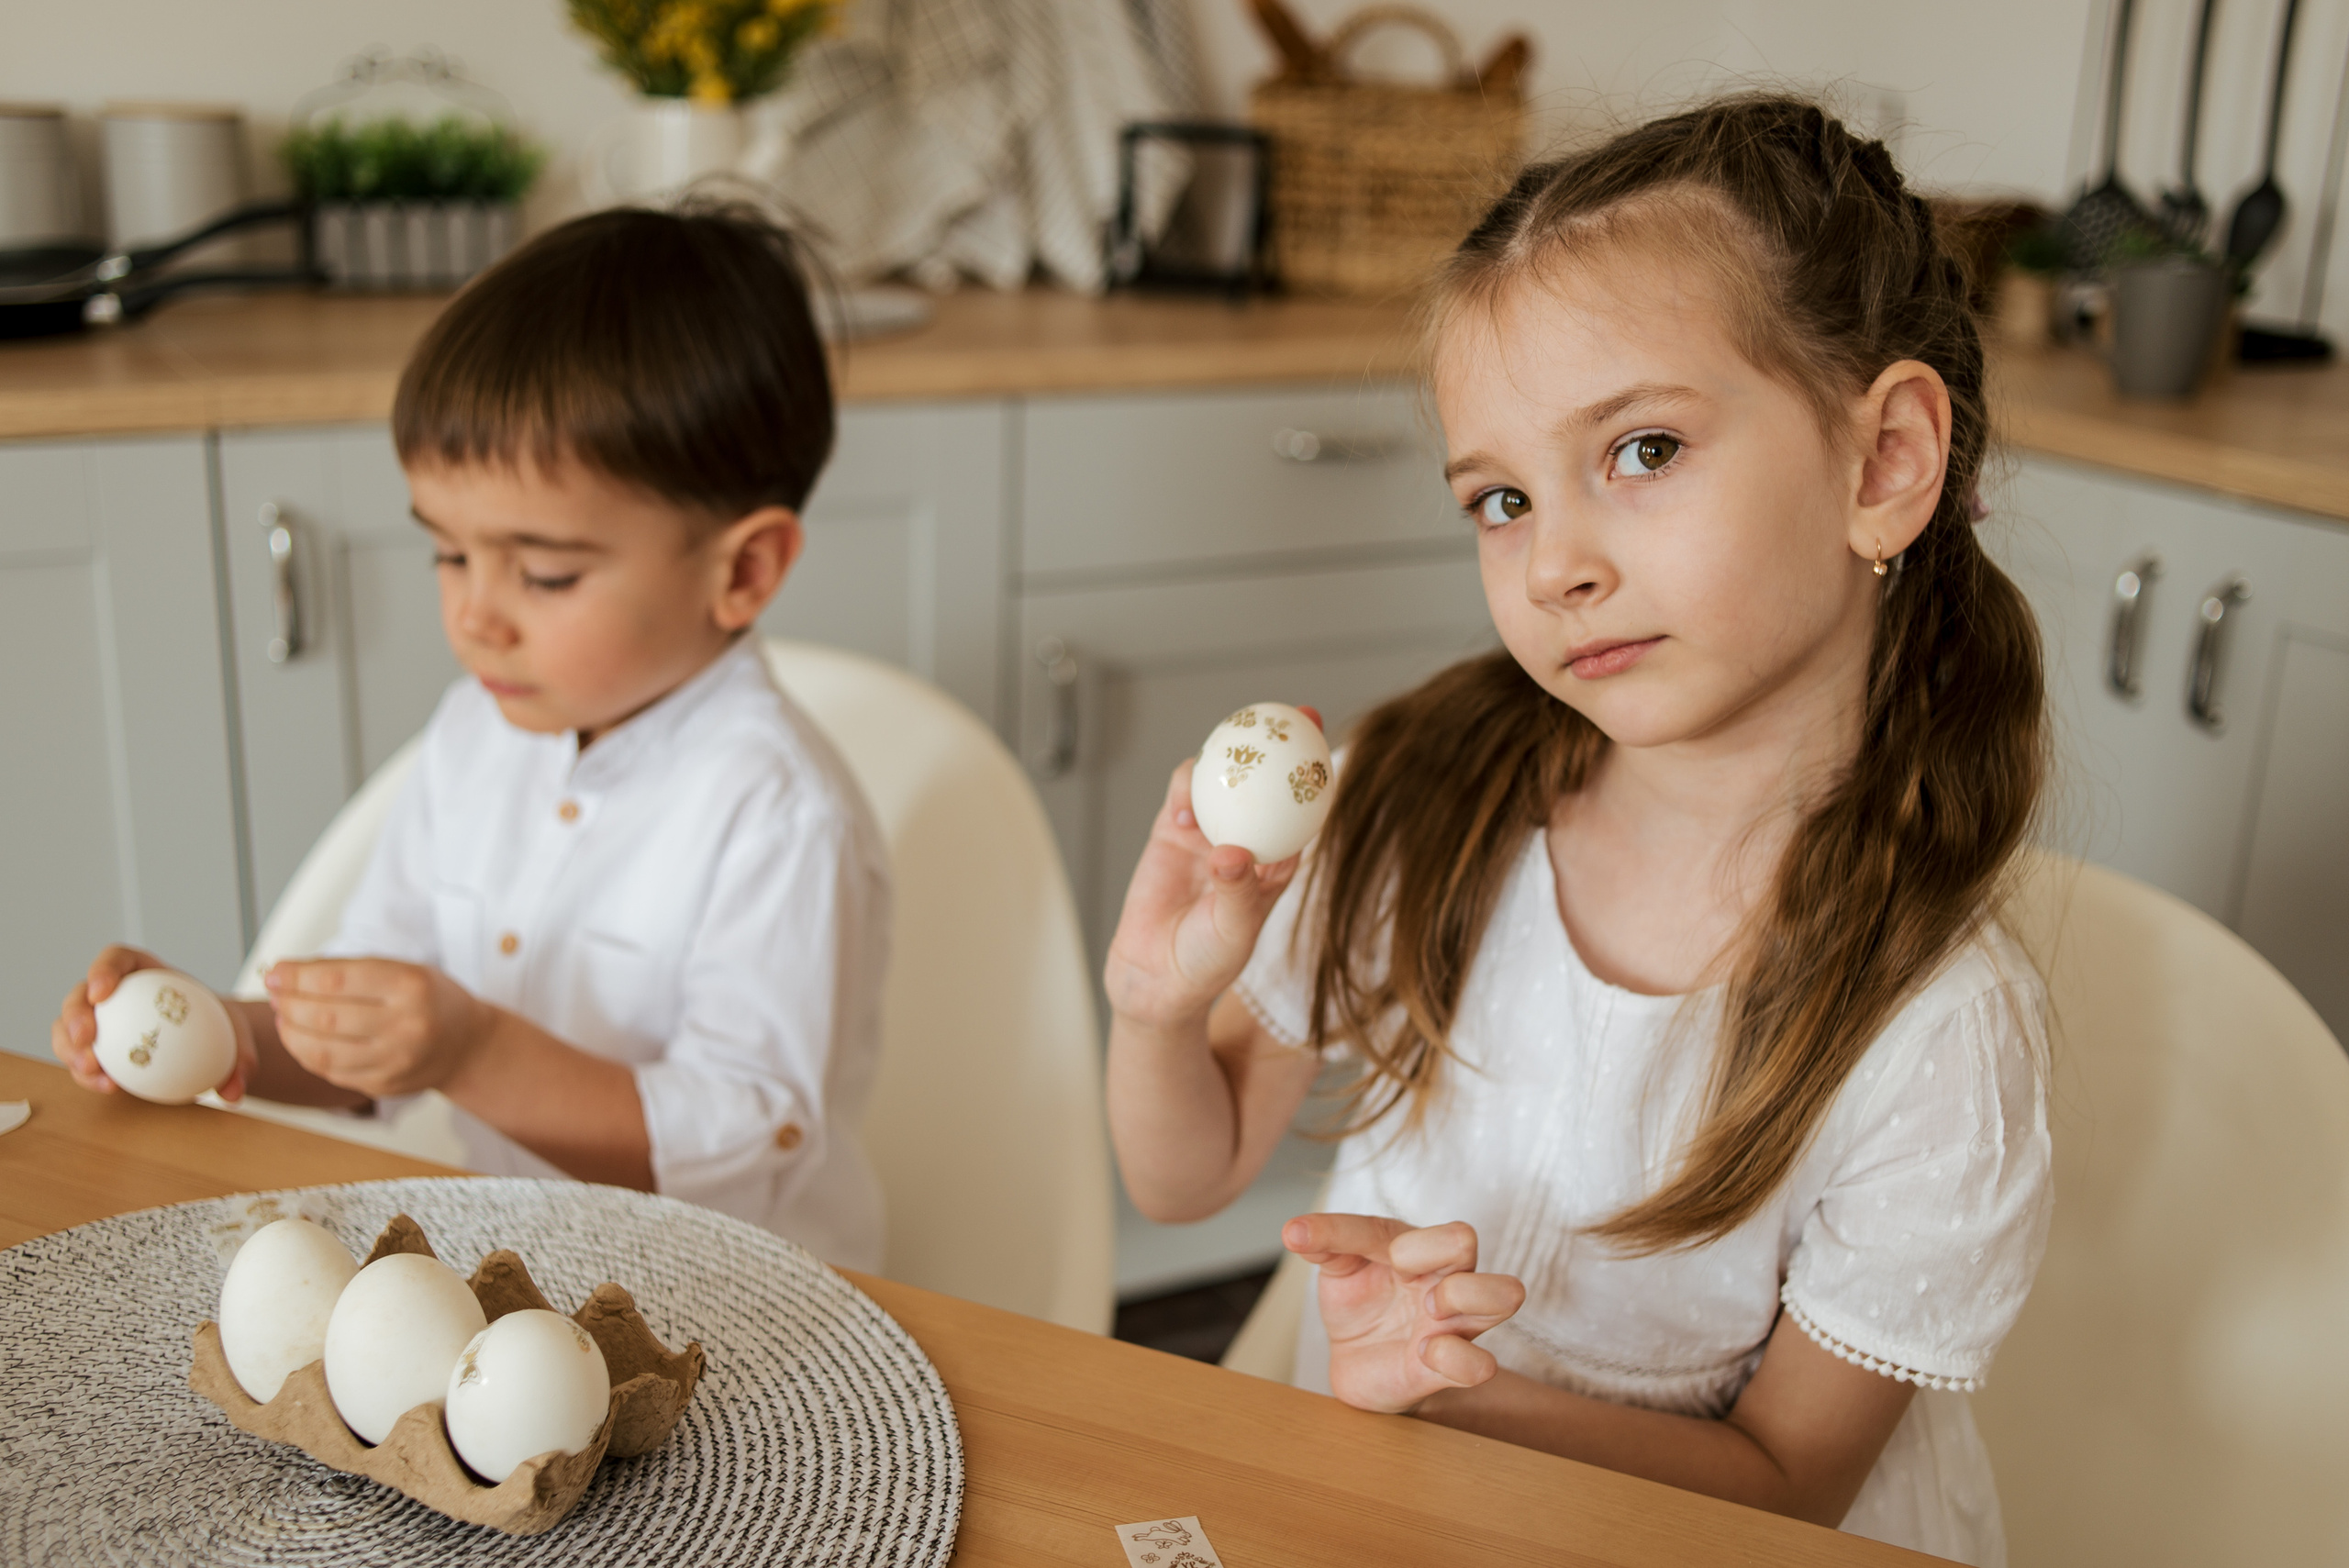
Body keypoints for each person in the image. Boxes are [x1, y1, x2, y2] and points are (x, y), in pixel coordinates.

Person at [1103, 96, 2051, 1564]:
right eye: (1500, 497)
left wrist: (1455, 1390)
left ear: (1884, 464)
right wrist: (1158, 1013)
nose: (1554, 562)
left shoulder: (1937, 1036)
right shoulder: (1414, 802)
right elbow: (1184, 1176)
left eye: (1646, 450)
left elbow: (1790, 1482)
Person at [51, 206, 890, 1270]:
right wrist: (217, 1034)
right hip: (515, 1268)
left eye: (544, 573)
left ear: (744, 571)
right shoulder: (476, 735)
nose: (476, 616)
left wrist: (474, 1048)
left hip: (740, 1298)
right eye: (449, 554)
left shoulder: (777, 810)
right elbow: (378, 1045)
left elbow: (737, 1144)